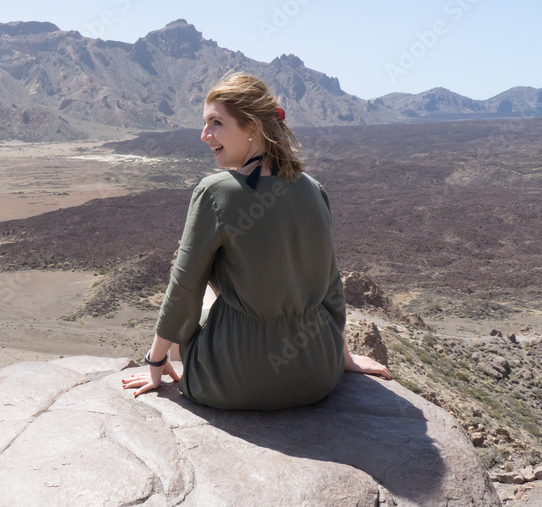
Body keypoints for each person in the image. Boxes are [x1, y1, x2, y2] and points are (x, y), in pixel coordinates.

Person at [122, 72, 391, 410]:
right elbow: (330, 285)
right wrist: (343, 358)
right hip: (316, 374)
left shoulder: (214, 192)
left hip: (233, 379)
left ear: (253, 127)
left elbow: (184, 287)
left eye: (216, 123)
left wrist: (155, 362)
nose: (204, 135)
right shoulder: (313, 188)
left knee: (202, 286)